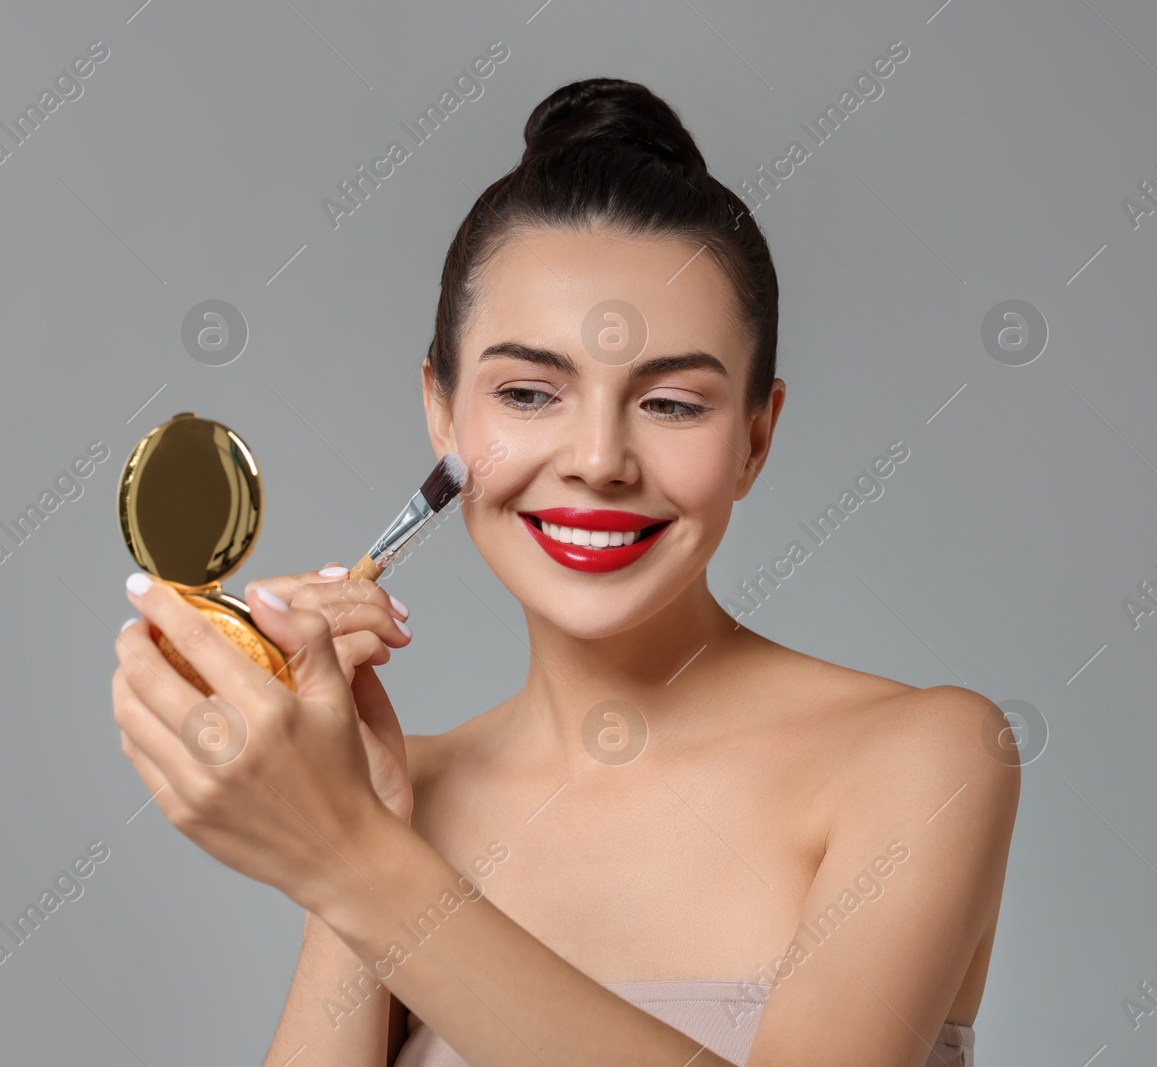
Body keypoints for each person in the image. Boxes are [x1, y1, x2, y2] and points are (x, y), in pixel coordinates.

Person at [114, 77, 1019, 1067]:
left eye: (672, 402)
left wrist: (349, 860)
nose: (597, 457)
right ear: (443, 414)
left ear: (756, 438)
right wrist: (364, 824)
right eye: (530, 391)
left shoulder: (924, 759)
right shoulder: (398, 794)